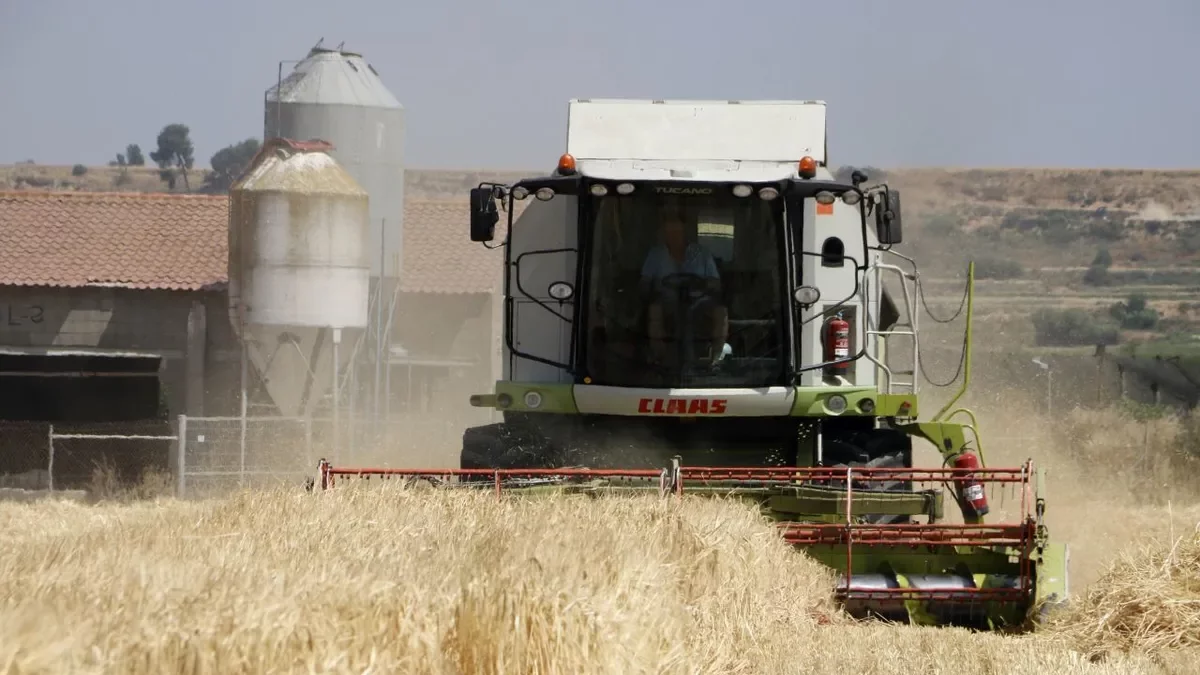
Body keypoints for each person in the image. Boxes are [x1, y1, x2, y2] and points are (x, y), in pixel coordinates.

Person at [639, 214, 729, 364]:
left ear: (685, 232)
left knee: (721, 311)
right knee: (654, 309)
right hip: (666, 302)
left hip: (699, 303)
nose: (674, 236)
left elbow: (716, 283)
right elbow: (644, 283)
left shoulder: (702, 254)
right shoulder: (655, 255)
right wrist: (653, 290)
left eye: (677, 232)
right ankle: (658, 358)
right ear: (664, 234)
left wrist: (702, 285)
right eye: (670, 233)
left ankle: (716, 358)